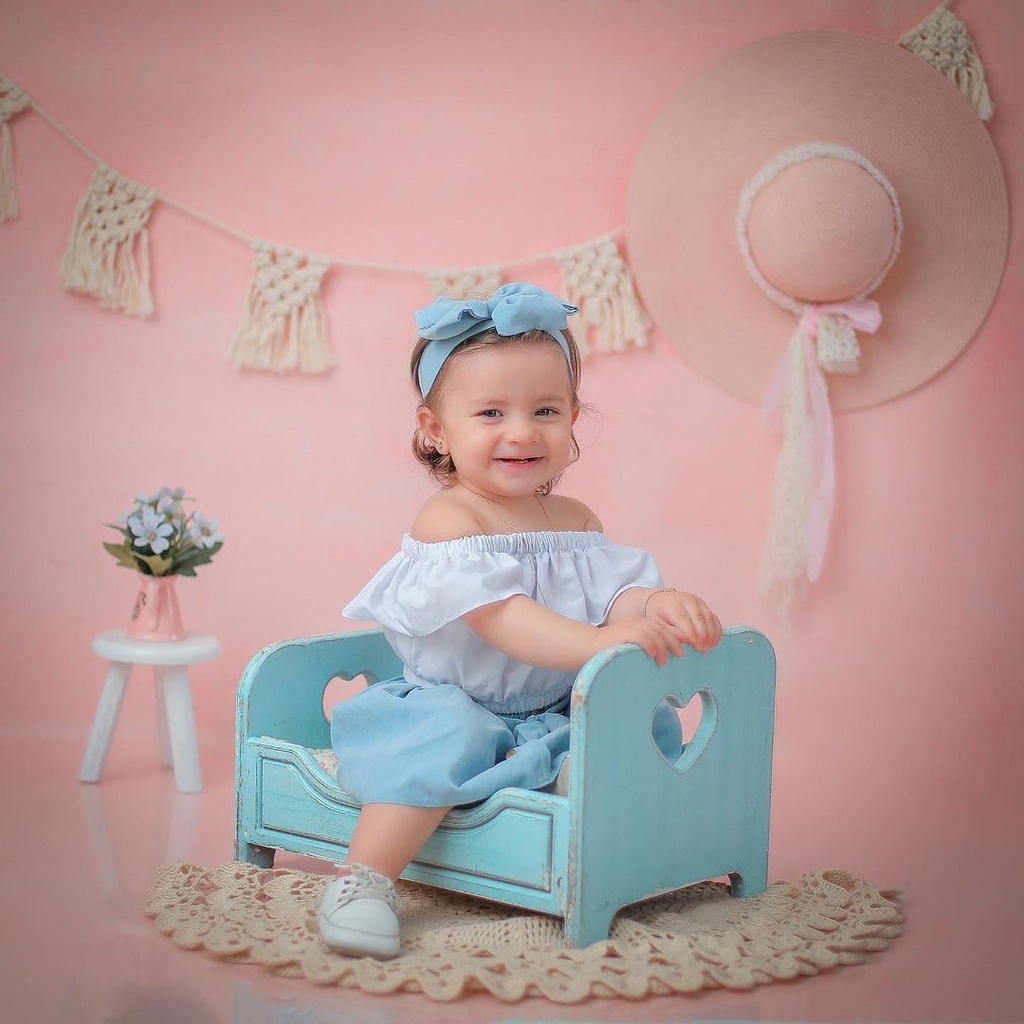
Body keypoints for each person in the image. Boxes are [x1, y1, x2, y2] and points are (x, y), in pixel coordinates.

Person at [318, 282, 723, 959]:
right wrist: (599, 641)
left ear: (573, 418)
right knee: (440, 745)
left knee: (624, 725)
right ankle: (364, 878)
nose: (522, 431)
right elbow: (505, 619)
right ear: (435, 428)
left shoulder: (575, 520)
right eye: (490, 412)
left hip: (550, 707)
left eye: (546, 410)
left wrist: (653, 604)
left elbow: (611, 597)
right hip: (451, 703)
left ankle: (604, 845)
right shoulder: (452, 519)